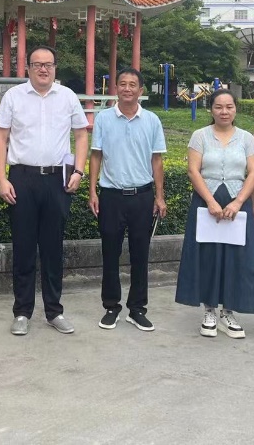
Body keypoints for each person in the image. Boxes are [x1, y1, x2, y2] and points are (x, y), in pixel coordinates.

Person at [0, 45, 89, 336]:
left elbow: (81, 134)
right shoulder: (14, 97)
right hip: (22, 178)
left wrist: (79, 171)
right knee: (23, 248)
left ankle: (54, 311)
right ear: (28, 68)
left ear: (55, 68)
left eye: (48, 64)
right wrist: (1, 179)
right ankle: (22, 312)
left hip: (56, 180)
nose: (43, 69)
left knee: (52, 248)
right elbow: (0, 137)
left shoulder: (67, 96)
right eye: (37, 64)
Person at [175, 89, 254, 339]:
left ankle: (228, 312)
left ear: (235, 109)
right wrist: (210, 201)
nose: (224, 111)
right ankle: (209, 310)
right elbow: (193, 171)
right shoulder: (200, 136)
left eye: (229, 107)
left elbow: (253, 172)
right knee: (208, 256)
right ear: (211, 109)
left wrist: (238, 202)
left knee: (236, 257)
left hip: (238, 203)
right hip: (206, 202)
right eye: (219, 107)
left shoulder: (247, 138)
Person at [88, 68, 167, 332]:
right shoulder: (104, 119)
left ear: (140, 90)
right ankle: (111, 307)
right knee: (110, 253)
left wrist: (159, 196)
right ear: (116, 88)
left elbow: (157, 160)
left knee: (140, 255)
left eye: (133, 84)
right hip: (111, 196)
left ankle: (137, 309)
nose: (127, 88)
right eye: (122, 84)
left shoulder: (152, 120)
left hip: (142, 196)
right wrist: (92, 192)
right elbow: (96, 155)